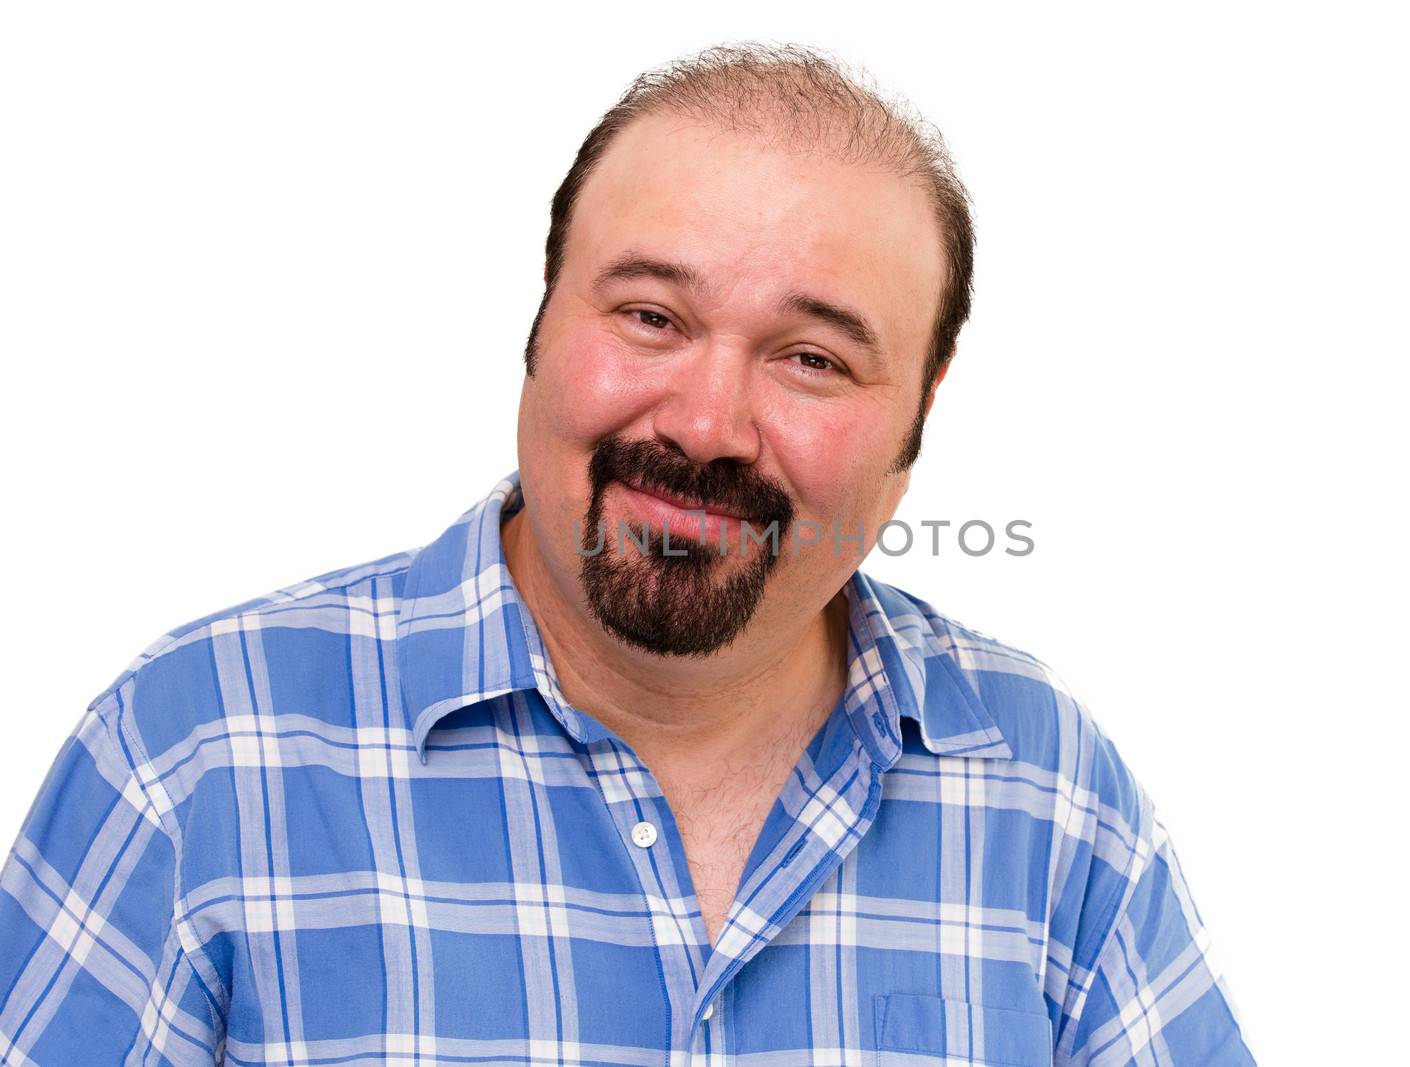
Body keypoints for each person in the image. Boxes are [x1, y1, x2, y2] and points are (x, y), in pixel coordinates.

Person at [0, 42, 1255, 1066]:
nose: (706, 425)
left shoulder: (1048, 791)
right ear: (541, 324)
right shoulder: (195, 754)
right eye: (651, 316)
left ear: (918, 412)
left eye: (811, 357)